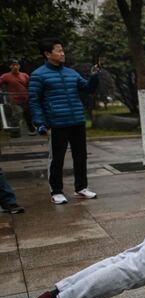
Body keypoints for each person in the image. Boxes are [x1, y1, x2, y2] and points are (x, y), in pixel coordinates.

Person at [28, 38, 100, 205]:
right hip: (57, 123)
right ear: (47, 54)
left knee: (80, 156)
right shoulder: (38, 75)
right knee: (57, 159)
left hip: (77, 120)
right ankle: (56, 191)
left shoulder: (71, 73)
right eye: (58, 51)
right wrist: (40, 123)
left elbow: (88, 88)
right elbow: (34, 101)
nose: (62, 53)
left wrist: (94, 76)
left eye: (62, 50)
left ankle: (81, 188)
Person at [0, 58, 35, 135]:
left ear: (19, 66)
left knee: (28, 114)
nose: (15, 67)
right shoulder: (6, 76)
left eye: (17, 65)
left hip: (25, 98)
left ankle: (31, 129)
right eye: (13, 65)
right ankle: (15, 132)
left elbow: (31, 85)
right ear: (10, 67)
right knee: (17, 114)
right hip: (14, 100)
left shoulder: (25, 75)